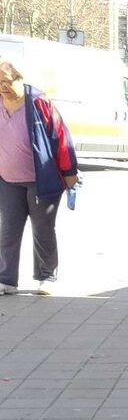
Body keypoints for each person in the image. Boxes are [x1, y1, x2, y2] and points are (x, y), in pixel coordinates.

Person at [0, 60, 77, 295]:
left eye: (6, 81)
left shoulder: (39, 103)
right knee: (9, 230)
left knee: (42, 228)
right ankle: (7, 279)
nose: (2, 87)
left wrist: (70, 173)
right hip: (7, 179)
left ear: (19, 79)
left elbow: (60, 136)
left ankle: (47, 276)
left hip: (41, 178)